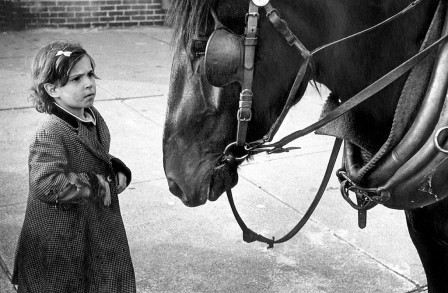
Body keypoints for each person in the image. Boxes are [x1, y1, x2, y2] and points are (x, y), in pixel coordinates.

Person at [11, 40, 136, 292]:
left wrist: (115, 167)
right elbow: (45, 183)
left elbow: (93, 154)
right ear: (52, 89)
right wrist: (96, 184)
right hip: (60, 238)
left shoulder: (89, 114)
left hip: (92, 225)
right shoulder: (51, 131)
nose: (89, 83)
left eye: (90, 74)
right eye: (76, 79)